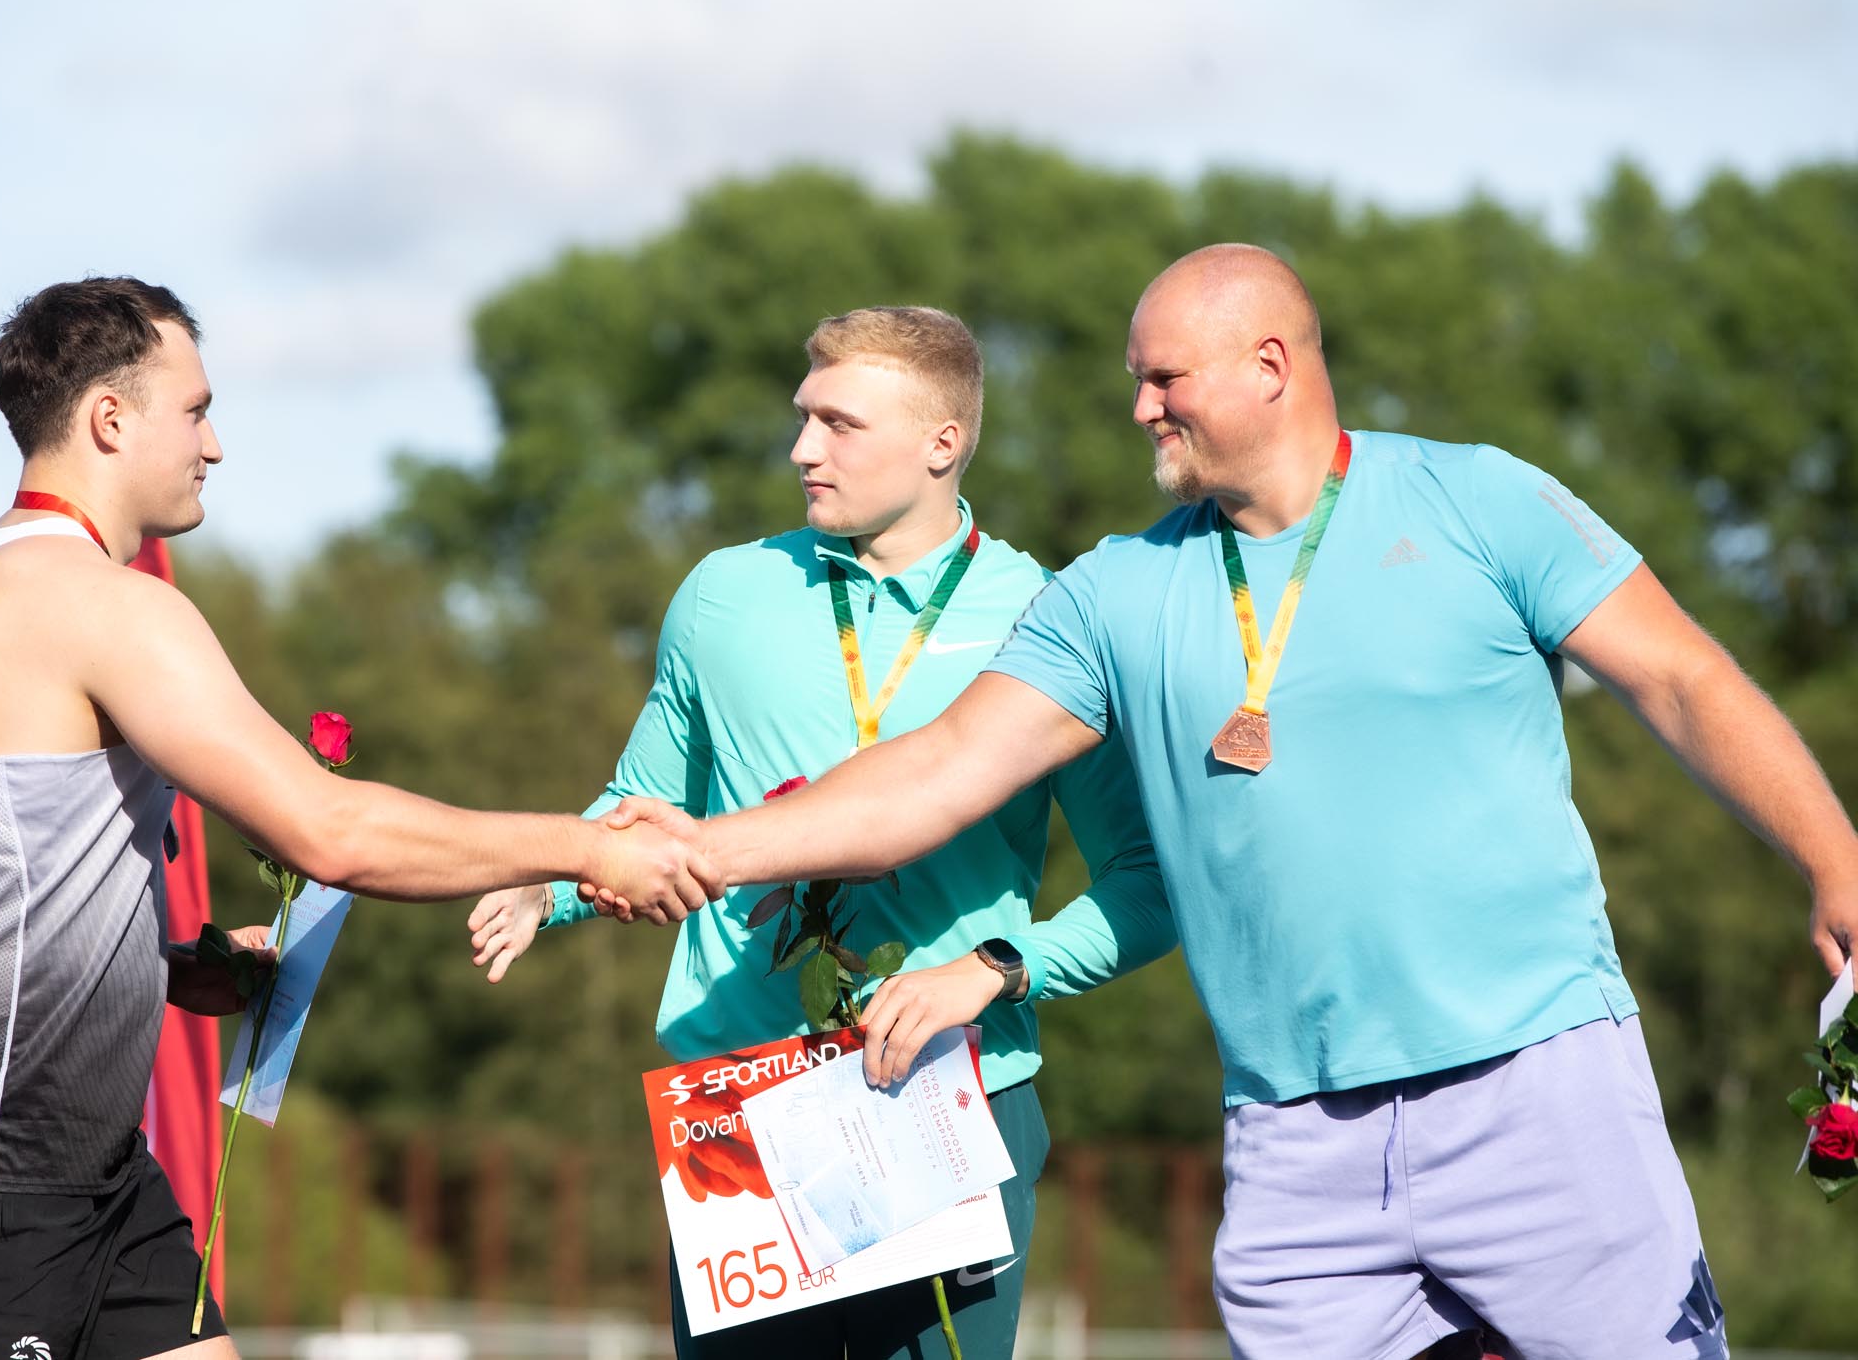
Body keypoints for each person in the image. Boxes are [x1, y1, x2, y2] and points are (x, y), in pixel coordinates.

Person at [600, 246, 1858, 1358]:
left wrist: (1833, 855)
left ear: (1267, 365)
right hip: (1291, 1139)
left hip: (1534, 1087)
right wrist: (703, 848)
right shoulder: (1111, 593)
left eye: (1163, 380)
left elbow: (1683, 680)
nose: (1137, 407)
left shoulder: (1476, 500)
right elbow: (934, 771)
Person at [0, 278, 718, 1360]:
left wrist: (153, 965)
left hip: (79, 1159)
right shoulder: (95, 600)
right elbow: (328, 832)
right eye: (195, 411)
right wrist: (586, 848)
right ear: (110, 419)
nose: (215, 446)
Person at [467, 306, 1173, 1358]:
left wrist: (998, 967)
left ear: (942, 442)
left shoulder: (1047, 613)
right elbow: (640, 797)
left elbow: (1146, 879)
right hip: (738, 1102)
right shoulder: (723, 595)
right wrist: (547, 880)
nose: (801, 449)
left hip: (952, 1094)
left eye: (838, 424)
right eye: (803, 419)